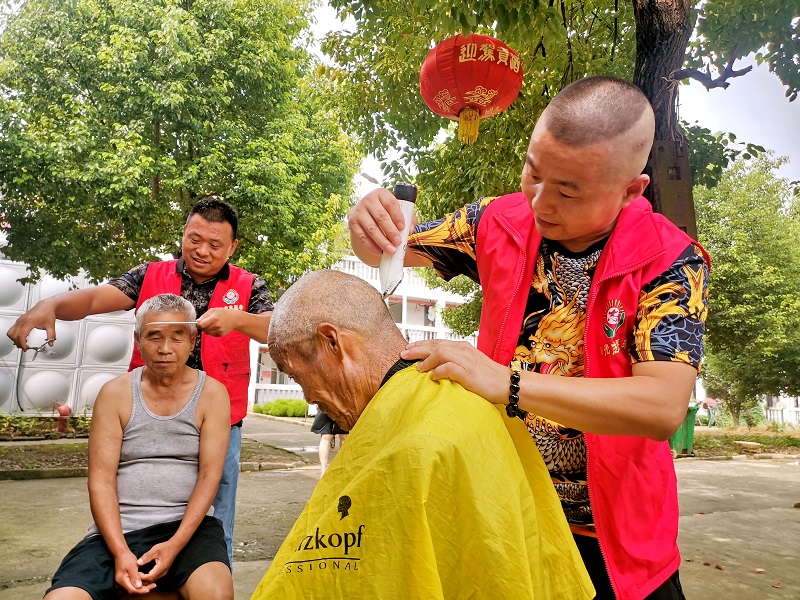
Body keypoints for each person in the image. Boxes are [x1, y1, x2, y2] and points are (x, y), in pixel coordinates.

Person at [348, 75, 709, 600]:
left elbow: (662, 406)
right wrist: (369, 228)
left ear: (631, 190)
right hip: (506, 513)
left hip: (611, 538)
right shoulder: (497, 220)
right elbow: (395, 251)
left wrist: (507, 384)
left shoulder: (671, 260)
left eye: (568, 190)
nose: (541, 202)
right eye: (533, 173)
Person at [251, 270, 594, 600]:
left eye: (297, 377)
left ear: (332, 342)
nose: (308, 397)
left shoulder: (416, 443)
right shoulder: (463, 399)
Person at [7, 196, 272, 564]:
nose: (202, 251)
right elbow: (95, 298)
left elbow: (275, 329)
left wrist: (239, 319)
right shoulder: (149, 275)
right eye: (195, 239)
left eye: (215, 245)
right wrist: (50, 305)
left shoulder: (249, 285)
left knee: (216, 519)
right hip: (145, 418)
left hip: (219, 423)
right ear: (183, 233)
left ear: (232, 247)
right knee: (129, 507)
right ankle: (130, 565)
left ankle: (211, 573)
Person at [44, 294, 233, 599]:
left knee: (214, 593)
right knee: (62, 597)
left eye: (177, 336)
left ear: (193, 340)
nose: (165, 349)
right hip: (118, 533)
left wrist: (174, 545)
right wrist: (120, 552)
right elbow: (101, 481)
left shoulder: (213, 394)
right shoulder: (115, 394)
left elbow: (210, 477)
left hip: (189, 531)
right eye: (154, 336)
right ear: (138, 339)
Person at [310, 409, 348, 475]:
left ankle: (325, 470)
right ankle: (325, 469)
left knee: (340, 438)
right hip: (337, 407)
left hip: (333, 406)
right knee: (340, 437)